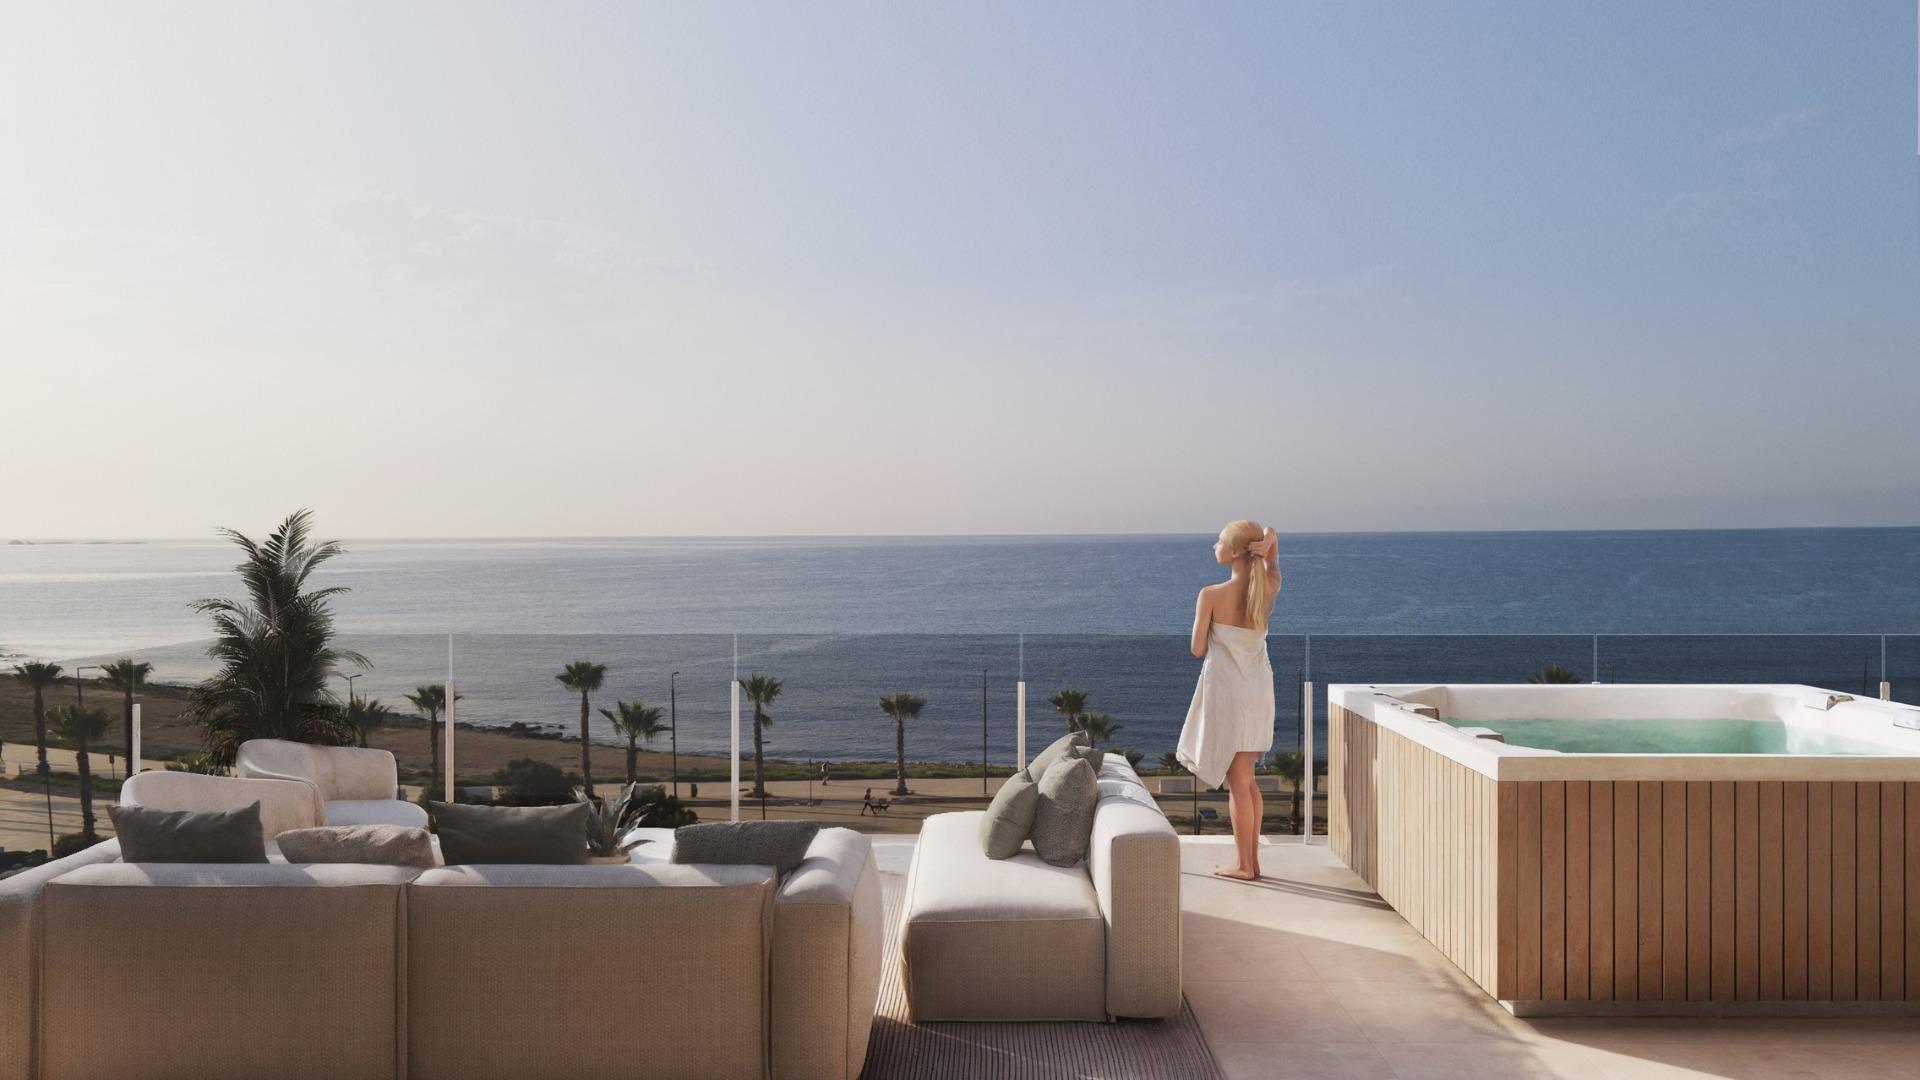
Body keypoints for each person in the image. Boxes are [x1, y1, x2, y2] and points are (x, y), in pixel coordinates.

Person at [1176, 519, 1281, 881]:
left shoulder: (1211, 594)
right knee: (1247, 779)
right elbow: (1273, 545)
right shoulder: (1268, 588)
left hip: (1228, 693)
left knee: (1239, 782)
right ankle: (1252, 862)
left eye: (1220, 540)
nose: (1214, 545)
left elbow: (1197, 648)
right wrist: (1268, 541)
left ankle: (1245, 865)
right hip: (1257, 691)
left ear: (1236, 552)